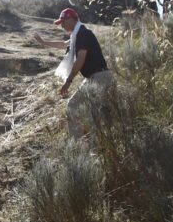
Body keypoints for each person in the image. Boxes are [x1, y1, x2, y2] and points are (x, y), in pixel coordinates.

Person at [33, 8, 113, 139]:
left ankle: (78, 145)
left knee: (74, 106)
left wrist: (68, 81)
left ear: (71, 19)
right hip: (98, 77)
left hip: (99, 77)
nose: (62, 25)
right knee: (94, 113)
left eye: (63, 22)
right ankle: (93, 144)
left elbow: (80, 59)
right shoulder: (77, 36)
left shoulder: (82, 34)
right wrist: (43, 42)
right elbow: (63, 45)